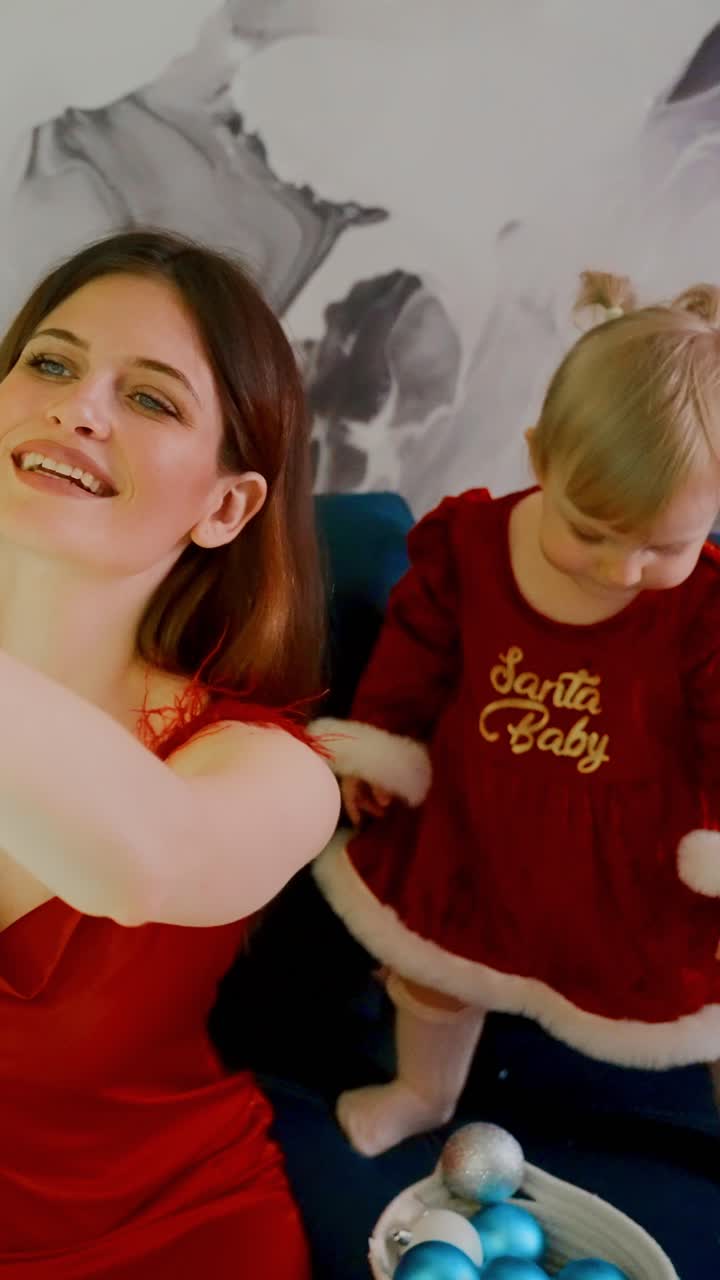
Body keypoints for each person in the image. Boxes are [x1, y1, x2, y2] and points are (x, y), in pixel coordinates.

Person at [310, 269, 720, 1157]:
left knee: (700, 992)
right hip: (478, 821)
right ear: (539, 457)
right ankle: (422, 1092)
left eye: (663, 547)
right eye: (591, 532)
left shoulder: (704, 610)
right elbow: (412, 657)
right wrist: (378, 750)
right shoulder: (472, 549)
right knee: (437, 973)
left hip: (635, 851)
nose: (620, 571)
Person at [0, 228, 340, 1277]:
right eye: (50, 362)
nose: (80, 407)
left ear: (227, 505)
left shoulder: (274, 772)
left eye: (150, 398)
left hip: (161, 1239)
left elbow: (145, 858)